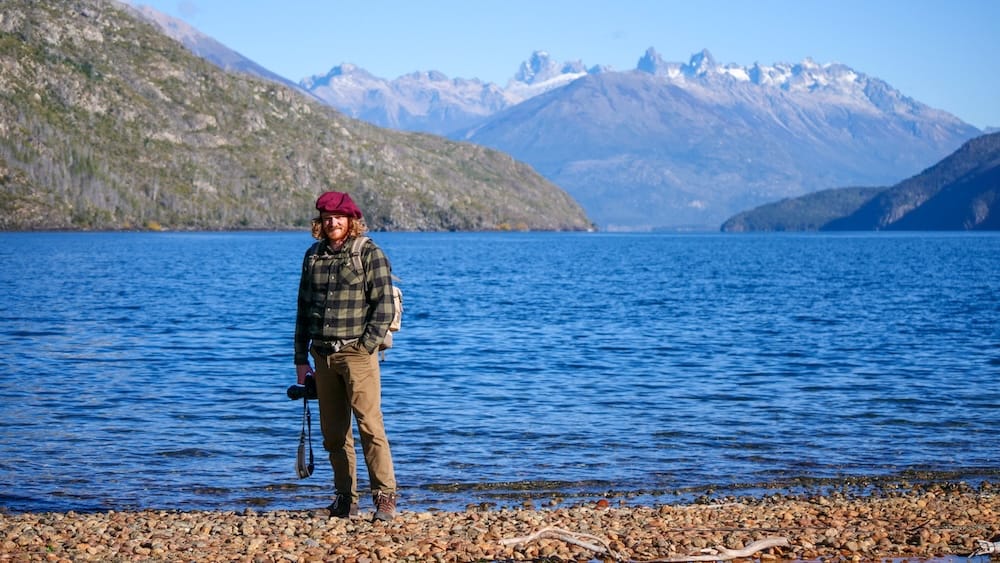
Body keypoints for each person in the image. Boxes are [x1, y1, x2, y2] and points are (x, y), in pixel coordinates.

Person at [294, 191, 398, 521]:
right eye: (327, 218)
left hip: (358, 353)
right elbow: (303, 310)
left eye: (339, 217)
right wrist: (301, 359)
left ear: (351, 221)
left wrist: (366, 347)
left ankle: (384, 498)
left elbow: (384, 307)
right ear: (319, 223)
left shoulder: (369, 253)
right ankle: (345, 500)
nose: (333, 222)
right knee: (334, 435)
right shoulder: (313, 256)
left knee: (370, 426)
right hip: (322, 356)